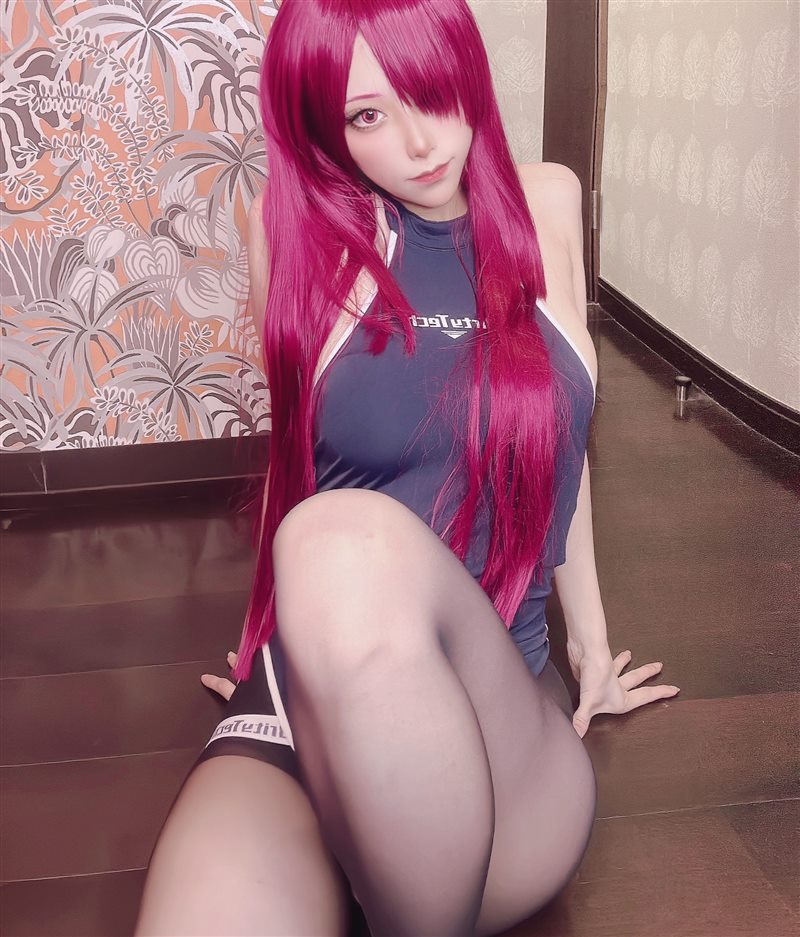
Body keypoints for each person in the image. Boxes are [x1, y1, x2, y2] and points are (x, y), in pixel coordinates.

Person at [135, 2, 680, 935]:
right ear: (325, 127)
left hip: (494, 720)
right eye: (367, 115)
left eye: (429, 90)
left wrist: (591, 646)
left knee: (339, 540)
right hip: (303, 708)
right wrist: (272, 637)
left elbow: (559, 444)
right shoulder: (294, 232)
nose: (422, 142)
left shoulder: (547, 202)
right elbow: (298, 458)